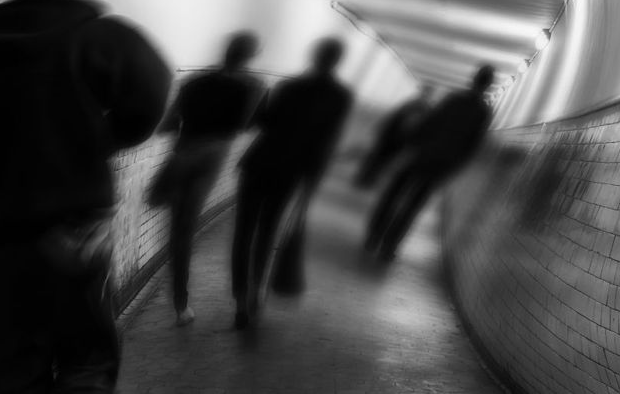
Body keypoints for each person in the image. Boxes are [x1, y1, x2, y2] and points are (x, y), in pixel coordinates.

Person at [0, 0, 172, 393]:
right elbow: (153, 89)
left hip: (1, 233)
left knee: (9, 370)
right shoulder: (99, 36)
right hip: (78, 230)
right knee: (86, 362)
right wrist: (103, 141)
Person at [231, 37, 352, 328]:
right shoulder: (340, 97)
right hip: (290, 172)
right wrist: (311, 183)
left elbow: (259, 122)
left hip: (259, 164)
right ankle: (256, 294)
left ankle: (241, 300)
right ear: (338, 61)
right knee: (267, 232)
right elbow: (327, 142)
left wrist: (260, 98)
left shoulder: (288, 86)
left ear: (315, 55)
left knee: (244, 232)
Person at [148, 31, 263, 326]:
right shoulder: (252, 86)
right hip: (212, 155)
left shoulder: (194, 81)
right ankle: (181, 307)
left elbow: (166, 125)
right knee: (186, 229)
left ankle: (180, 304)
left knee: (177, 233)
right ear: (250, 56)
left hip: (184, 152)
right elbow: (244, 124)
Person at [364, 65, 495, 262]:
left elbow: (430, 122)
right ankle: (389, 244)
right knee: (413, 204)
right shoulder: (482, 112)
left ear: (474, 78)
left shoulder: (454, 99)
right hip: (440, 165)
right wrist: (453, 167)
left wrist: (409, 144)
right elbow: (472, 145)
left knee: (393, 194)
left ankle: (374, 235)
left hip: (420, 155)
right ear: (489, 85)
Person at [353, 85, 433, 188]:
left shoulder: (420, 107)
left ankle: (366, 179)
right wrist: (381, 128)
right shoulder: (414, 105)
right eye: (424, 91)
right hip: (393, 136)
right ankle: (365, 179)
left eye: (426, 92)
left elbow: (398, 118)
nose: (423, 94)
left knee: (379, 159)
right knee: (378, 158)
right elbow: (393, 117)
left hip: (398, 138)